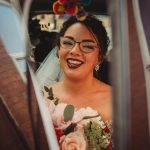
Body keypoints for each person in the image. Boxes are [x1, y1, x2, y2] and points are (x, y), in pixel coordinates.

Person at [43, 14, 112, 150]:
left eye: (87, 46)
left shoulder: (116, 100)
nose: (74, 51)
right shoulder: (42, 95)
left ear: (99, 58)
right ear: (58, 51)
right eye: (68, 43)